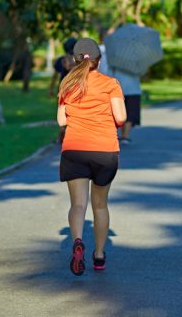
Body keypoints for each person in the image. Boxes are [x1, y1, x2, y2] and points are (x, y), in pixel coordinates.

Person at [57, 38, 126, 276]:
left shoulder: (67, 83)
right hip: (104, 150)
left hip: (74, 149)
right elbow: (121, 118)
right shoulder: (111, 83)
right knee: (100, 205)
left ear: (75, 59)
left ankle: (77, 241)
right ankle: (98, 255)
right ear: (99, 59)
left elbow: (61, 120)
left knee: (78, 204)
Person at [110, 67, 141, 144]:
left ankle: (118, 135)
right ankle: (125, 136)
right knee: (130, 112)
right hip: (133, 90)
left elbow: (108, 73)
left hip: (118, 88)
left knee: (116, 112)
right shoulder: (137, 63)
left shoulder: (114, 60)